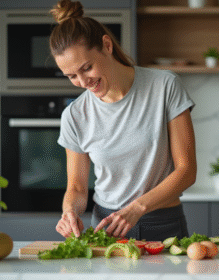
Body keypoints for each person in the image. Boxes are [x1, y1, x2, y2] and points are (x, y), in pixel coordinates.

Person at [51, 0, 197, 241]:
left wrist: (136, 208)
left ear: (106, 45)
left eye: (87, 68)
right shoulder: (75, 115)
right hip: (106, 228)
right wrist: (69, 211)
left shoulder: (165, 87)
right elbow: (76, 188)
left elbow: (187, 171)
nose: (83, 81)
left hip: (163, 224)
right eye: (71, 76)